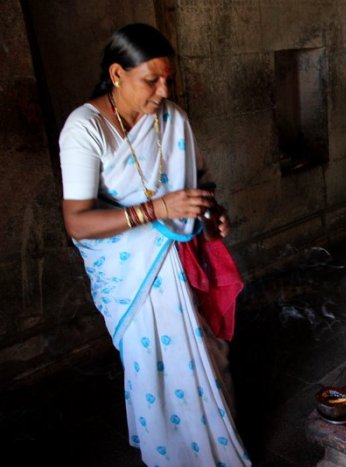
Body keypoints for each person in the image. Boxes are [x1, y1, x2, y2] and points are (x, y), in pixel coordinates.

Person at [59, 23, 251, 466]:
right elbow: (78, 222)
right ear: (116, 74)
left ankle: (216, 441)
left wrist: (210, 212)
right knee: (155, 372)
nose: (163, 91)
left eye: (168, 80)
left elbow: (200, 183)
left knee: (205, 354)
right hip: (133, 274)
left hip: (182, 261)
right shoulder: (85, 130)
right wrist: (157, 210)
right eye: (151, 80)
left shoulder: (173, 119)